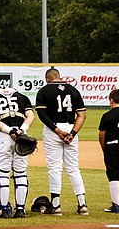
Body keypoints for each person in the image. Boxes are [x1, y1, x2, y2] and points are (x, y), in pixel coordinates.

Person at [35, 67, 88, 216]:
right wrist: (72, 133)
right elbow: (82, 115)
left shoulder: (44, 91)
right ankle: (82, 204)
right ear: (59, 76)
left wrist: (57, 131)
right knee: (73, 168)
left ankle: (56, 206)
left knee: (54, 168)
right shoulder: (73, 90)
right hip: (71, 128)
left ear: (47, 79)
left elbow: (42, 115)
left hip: (53, 130)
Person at [0, 83, 36, 218]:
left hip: (3, 136)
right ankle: (20, 210)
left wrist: (10, 130)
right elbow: (31, 116)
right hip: (21, 135)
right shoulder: (21, 96)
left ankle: (2, 209)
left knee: (2, 173)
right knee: (20, 173)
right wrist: (20, 130)